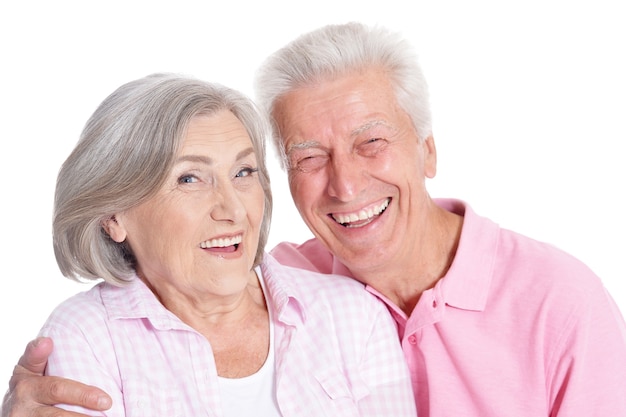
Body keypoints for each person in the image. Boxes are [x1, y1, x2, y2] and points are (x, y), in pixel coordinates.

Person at [3, 21, 626, 417]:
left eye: (371, 142)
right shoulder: (280, 279)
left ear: (429, 149)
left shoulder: (560, 301)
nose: (346, 183)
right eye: (308, 156)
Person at [0, 72, 416, 417]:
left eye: (243, 172)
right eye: (189, 179)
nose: (233, 209)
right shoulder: (85, 336)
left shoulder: (353, 315)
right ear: (114, 216)